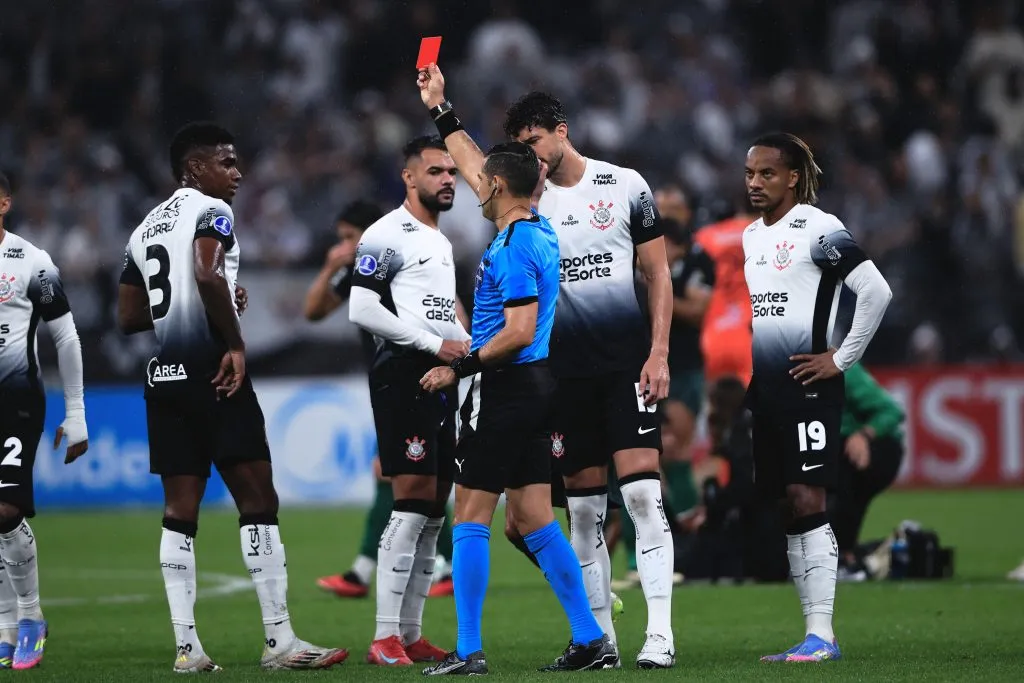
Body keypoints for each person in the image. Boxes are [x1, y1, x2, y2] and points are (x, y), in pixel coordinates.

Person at [117, 122, 348, 673]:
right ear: (195, 170)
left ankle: (187, 650)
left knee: (179, 513)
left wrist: (207, 296)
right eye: (226, 162)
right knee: (259, 501)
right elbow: (203, 271)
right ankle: (280, 643)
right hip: (216, 376)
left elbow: (128, 316)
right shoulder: (212, 210)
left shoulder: (144, 227)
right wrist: (236, 342)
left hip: (166, 376)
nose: (238, 173)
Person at [416, 64, 616, 675]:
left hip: (503, 387)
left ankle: (469, 651)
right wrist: (441, 110)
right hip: (534, 389)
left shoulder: (518, 243)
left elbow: (520, 331)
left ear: (499, 186)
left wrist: (462, 367)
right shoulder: (537, 228)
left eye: (484, 182)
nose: (474, 187)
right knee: (531, 517)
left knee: (471, 516)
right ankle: (591, 638)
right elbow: (486, 167)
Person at [505, 91, 675, 668]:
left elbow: (656, 272)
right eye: (520, 148)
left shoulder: (625, 185)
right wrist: (441, 110)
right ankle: (600, 641)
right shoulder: (525, 201)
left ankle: (660, 636)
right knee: (581, 511)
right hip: (563, 376)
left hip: (626, 364)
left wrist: (659, 353)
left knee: (643, 496)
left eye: (534, 142)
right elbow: (474, 165)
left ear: (561, 130)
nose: (530, 156)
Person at [742, 132, 892, 662]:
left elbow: (875, 291)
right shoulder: (750, 237)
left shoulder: (819, 228)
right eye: (750, 173)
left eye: (767, 174)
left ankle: (823, 635)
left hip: (810, 387)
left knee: (810, 499)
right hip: (769, 390)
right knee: (788, 505)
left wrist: (839, 358)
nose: (755, 183)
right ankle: (811, 635)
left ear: (793, 178)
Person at [347, 135, 469, 667]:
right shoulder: (385, 233)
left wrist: (469, 354)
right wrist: (431, 344)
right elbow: (361, 308)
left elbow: (443, 312)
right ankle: (383, 637)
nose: (447, 180)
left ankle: (412, 633)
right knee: (412, 497)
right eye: (436, 171)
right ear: (409, 177)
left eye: (451, 172)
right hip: (405, 373)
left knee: (434, 507)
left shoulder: (440, 241)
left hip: (443, 375)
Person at [304, 201, 456, 602]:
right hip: (390, 382)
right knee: (406, 478)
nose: (345, 246)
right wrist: (329, 267)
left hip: (419, 375)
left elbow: (451, 308)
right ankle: (383, 571)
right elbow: (313, 311)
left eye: (350, 237)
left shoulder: (401, 261)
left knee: (415, 479)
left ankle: (385, 571)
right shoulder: (357, 274)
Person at [0, 172, 89, 670]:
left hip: (16, 398)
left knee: (6, 509)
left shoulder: (31, 260)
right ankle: (5, 625)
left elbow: (67, 339)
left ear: (5, 202)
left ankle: (30, 616)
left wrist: (76, 413)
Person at [829, 362, 905, 580]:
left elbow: (890, 411)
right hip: (831, 446)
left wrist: (864, 435)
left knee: (840, 481)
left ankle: (842, 558)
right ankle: (853, 555)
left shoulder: (841, 368)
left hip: (873, 448)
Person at [694, 199, 756, 387]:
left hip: (714, 330)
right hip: (750, 331)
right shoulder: (765, 233)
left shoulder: (705, 237)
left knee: (716, 403)